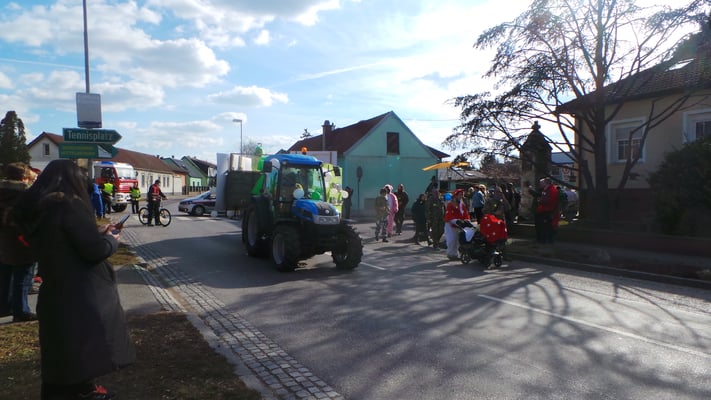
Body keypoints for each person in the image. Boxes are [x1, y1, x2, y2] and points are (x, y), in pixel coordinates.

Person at [11, 159, 135, 400]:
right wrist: (111, 240)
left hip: (55, 287)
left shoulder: (38, 207)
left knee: (61, 353)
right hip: (79, 290)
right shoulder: (68, 204)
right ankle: (83, 392)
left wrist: (95, 232)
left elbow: (60, 240)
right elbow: (94, 251)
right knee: (82, 347)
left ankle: (70, 391)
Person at [0, 163, 38, 322]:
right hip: (22, 241)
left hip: (3, 240)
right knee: (22, 277)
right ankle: (21, 311)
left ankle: (4, 307)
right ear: (24, 177)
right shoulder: (27, 195)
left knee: (5, 276)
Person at [444, 188, 471, 260]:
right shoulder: (450, 204)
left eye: (461, 195)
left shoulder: (462, 204)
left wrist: (467, 220)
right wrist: (455, 221)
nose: (461, 196)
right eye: (459, 195)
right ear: (455, 195)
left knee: (457, 240)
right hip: (450, 224)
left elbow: (465, 213)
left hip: (459, 224)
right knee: (451, 239)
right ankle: (450, 254)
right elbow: (449, 214)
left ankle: (455, 254)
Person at [535, 178, 560, 243]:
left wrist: (539, 200)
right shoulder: (546, 190)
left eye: (541, 183)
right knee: (546, 226)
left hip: (547, 211)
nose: (540, 184)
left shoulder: (551, 190)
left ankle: (546, 240)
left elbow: (548, 200)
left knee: (546, 227)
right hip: (544, 210)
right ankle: (545, 240)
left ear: (545, 183)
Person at [425, 182, 444, 250]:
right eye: (435, 192)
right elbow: (427, 209)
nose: (436, 193)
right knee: (435, 231)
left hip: (441, 218)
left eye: (437, 192)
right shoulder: (430, 200)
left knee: (441, 230)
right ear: (432, 193)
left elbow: (443, 208)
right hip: (433, 218)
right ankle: (435, 244)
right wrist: (428, 218)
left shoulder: (440, 199)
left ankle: (436, 241)